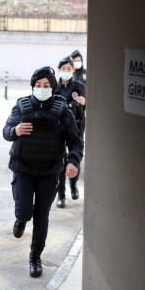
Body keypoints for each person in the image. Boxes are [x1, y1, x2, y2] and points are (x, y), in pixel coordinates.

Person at [3, 66, 83, 278]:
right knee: (24, 211)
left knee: (41, 216)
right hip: (23, 168)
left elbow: (75, 141)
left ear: (52, 87)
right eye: (38, 85)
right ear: (32, 86)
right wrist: (15, 130)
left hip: (49, 171)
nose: (42, 88)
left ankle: (35, 257)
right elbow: (6, 131)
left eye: (46, 85)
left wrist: (73, 162)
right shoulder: (21, 106)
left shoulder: (62, 110)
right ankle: (21, 219)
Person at [55, 57, 87, 207]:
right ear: (59, 70)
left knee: (75, 156)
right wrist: (72, 105)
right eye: (63, 68)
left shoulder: (79, 86)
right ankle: (61, 194)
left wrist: (84, 103)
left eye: (69, 69)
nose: (66, 71)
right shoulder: (54, 86)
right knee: (60, 160)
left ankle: (73, 185)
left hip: (77, 127)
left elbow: (87, 105)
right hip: (59, 128)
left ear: (73, 70)